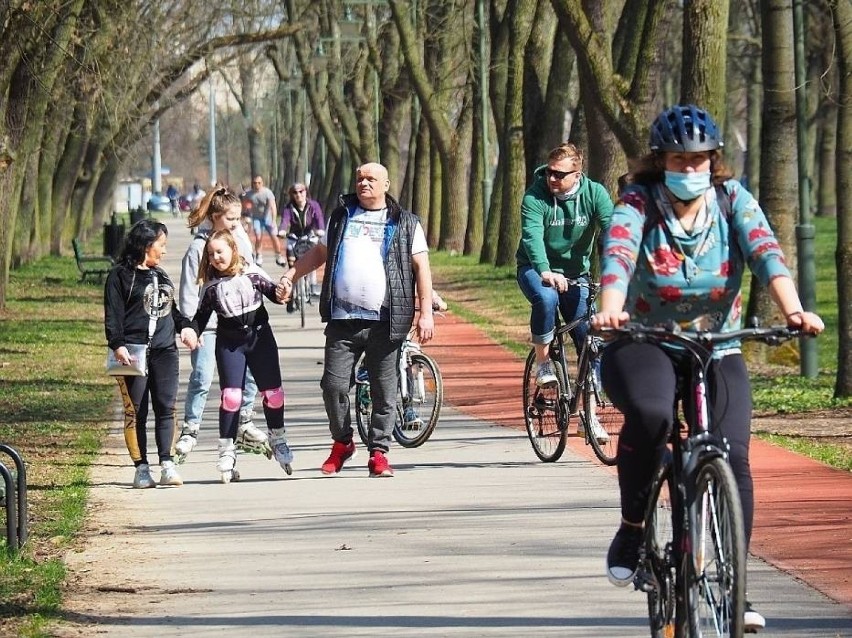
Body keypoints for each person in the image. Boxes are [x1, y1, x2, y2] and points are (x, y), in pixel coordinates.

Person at [591, 104, 825, 632]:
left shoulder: (731, 200)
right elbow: (619, 255)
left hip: (716, 345)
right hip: (643, 338)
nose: (690, 168)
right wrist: (610, 304)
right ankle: (632, 526)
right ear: (661, 159)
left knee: (733, 452)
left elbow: (767, 253)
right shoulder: (638, 201)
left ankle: (735, 586)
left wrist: (792, 309)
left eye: (700, 159)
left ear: (713, 161)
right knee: (651, 415)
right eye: (680, 158)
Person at [278, 162, 435, 478]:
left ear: (386, 184)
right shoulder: (341, 216)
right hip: (343, 319)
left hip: (386, 320)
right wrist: (291, 275)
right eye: (359, 177)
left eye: (371, 178)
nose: (363, 183)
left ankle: (379, 452)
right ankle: (342, 443)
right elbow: (320, 253)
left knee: (383, 389)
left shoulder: (405, 223)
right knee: (333, 386)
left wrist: (426, 312)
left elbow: (422, 269)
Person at [515, 141, 613, 442]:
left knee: (589, 337)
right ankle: (544, 362)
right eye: (549, 173)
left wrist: (615, 273)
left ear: (577, 173)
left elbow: (611, 230)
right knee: (545, 298)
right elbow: (532, 237)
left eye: (559, 174)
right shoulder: (535, 196)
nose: (552, 179)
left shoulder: (595, 193)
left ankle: (589, 416)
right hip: (535, 267)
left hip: (575, 273)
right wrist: (545, 271)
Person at [191, 229, 295, 482]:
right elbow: (200, 318)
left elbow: (273, 292)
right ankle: (227, 449)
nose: (216, 258)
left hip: (260, 339)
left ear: (233, 250)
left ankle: (277, 437)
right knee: (231, 397)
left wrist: (282, 292)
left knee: (273, 394)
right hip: (230, 343)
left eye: (220, 252)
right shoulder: (212, 286)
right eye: (211, 254)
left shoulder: (252, 273)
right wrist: (189, 331)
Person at [104, 219, 198, 489]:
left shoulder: (160, 275)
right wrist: (117, 344)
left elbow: (172, 311)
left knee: (166, 407)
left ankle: (167, 464)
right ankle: (141, 468)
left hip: (164, 350)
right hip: (132, 353)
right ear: (146, 245)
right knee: (137, 412)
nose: (165, 251)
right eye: (161, 245)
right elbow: (113, 316)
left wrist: (186, 328)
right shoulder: (120, 275)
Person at [177, 187, 265, 463]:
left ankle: (244, 420)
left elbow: (252, 273)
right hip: (209, 324)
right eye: (231, 220)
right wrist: (191, 327)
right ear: (215, 217)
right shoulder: (198, 247)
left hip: (239, 320)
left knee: (249, 374)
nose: (236, 225)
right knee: (202, 376)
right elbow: (189, 288)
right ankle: (190, 428)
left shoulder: (240, 240)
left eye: (238, 219)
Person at [277, 182, 326, 309]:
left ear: (306, 192)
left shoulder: (313, 205)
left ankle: (313, 286)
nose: (298, 195)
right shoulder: (289, 208)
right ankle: (291, 293)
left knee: (314, 257)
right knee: (292, 263)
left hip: (309, 236)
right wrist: (282, 230)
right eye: (295, 192)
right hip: (294, 236)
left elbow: (319, 218)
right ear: (291, 195)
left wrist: (321, 229)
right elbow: (285, 221)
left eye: (301, 191)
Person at [246, 175, 286, 267]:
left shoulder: (267, 193)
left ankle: (278, 256)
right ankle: (259, 256)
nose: (257, 185)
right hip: (256, 218)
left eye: (259, 183)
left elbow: (273, 206)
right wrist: (247, 216)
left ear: (262, 183)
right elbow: (247, 205)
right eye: (255, 183)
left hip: (267, 218)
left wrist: (274, 220)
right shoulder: (249, 194)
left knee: (274, 236)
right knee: (258, 236)